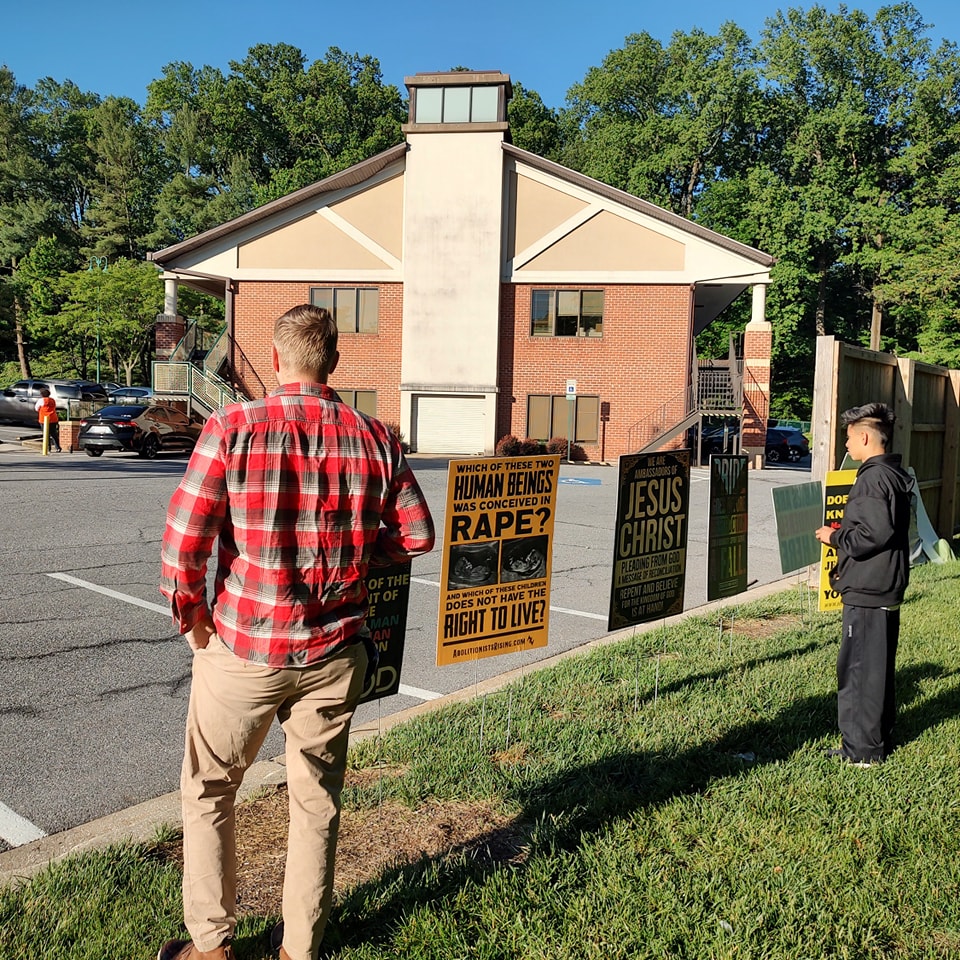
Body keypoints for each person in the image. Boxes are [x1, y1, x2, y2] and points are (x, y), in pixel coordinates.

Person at [158, 304, 435, 960]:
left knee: (209, 789)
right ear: (334, 361)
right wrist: (362, 555)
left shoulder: (232, 425)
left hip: (245, 645)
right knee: (316, 801)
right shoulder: (377, 438)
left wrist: (191, 616)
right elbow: (417, 536)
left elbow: (185, 535)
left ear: (276, 359)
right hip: (335, 651)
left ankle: (212, 946)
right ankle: (301, 949)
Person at [815, 402, 911, 767]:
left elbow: (875, 532)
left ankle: (862, 752)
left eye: (850, 438)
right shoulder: (893, 474)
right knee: (876, 669)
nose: (846, 446)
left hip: (869, 589)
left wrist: (835, 537)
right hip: (884, 585)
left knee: (857, 670)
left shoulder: (871, 478)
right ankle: (876, 741)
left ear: (866, 436)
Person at [34, 387, 61, 452]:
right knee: (54, 433)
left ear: (42, 394)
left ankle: (48, 448)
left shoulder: (41, 400)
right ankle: (58, 447)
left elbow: (36, 408)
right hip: (53, 418)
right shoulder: (52, 400)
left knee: (46, 434)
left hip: (44, 419)